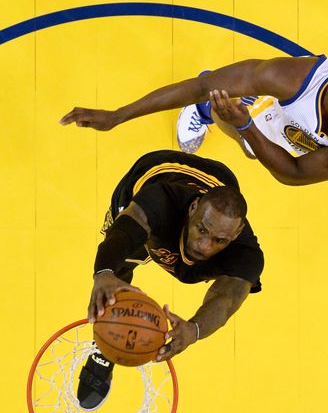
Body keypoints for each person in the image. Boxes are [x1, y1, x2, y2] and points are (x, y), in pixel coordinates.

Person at [60, 46, 328, 186]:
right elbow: (196, 82)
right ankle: (211, 109)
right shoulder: (291, 77)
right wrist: (118, 115)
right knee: (241, 131)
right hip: (292, 112)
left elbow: (294, 175)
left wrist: (246, 124)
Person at [77, 149, 264, 410]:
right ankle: (105, 347)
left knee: (206, 270)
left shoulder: (246, 253)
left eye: (219, 240)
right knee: (119, 261)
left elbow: (226, 299)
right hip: (151, 174)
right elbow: (125, 231)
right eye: (202, 230)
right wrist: (104, 274)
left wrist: (194, 330)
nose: (205, 245)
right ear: (194, 208)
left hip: (220, 181)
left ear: (237, 232)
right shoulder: (159, 202)